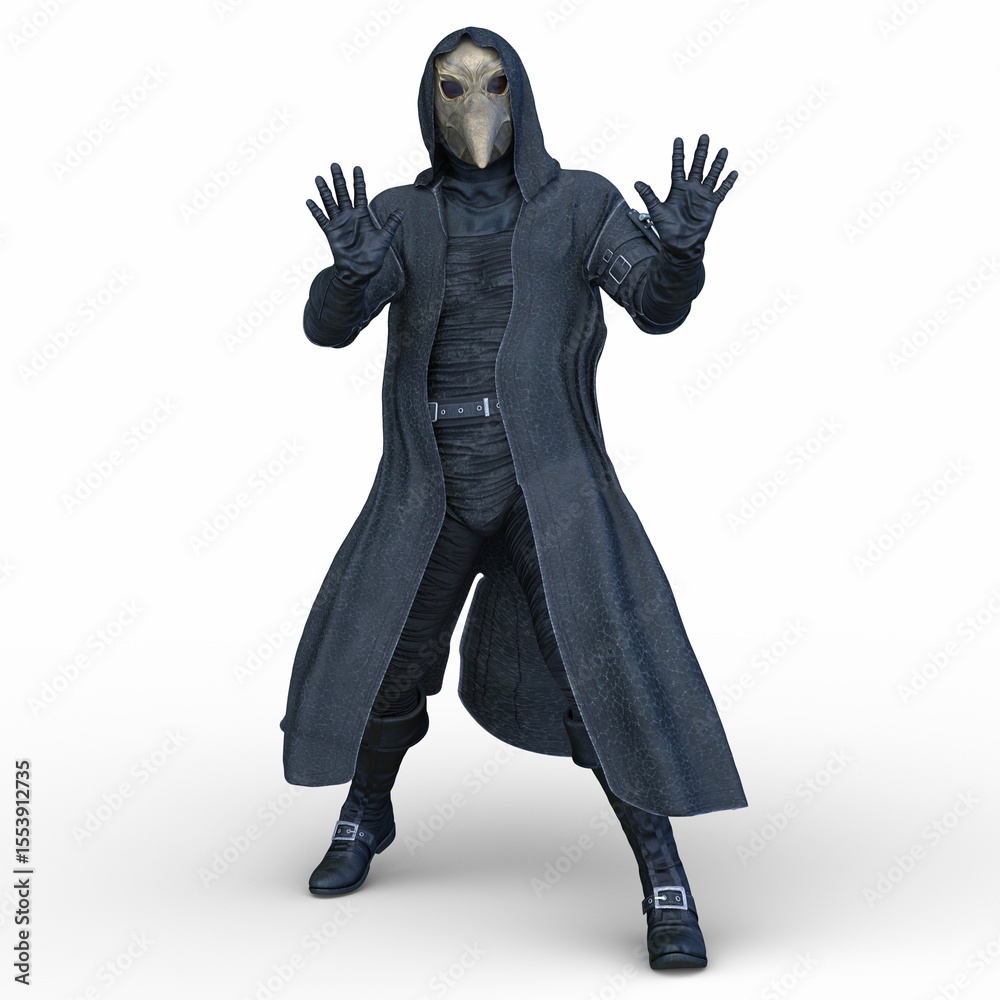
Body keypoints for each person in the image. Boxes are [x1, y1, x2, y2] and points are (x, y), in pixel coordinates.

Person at [280, 26, 747, 970]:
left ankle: (663, 875)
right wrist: (349, 275)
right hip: (434, 480)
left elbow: (653, 306)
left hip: (548, 480)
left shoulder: (579, 205)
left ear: (520, 92)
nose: (474, 105)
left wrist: (681, 258)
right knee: (392, 659)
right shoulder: (402, 216)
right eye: (452, 88)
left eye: (490, 84)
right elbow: (330, 328)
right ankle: (367, 810)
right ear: (429, 104)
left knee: (599, 668)